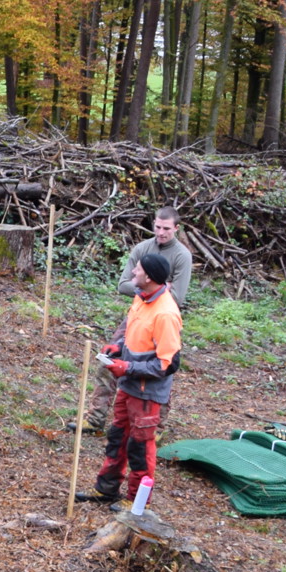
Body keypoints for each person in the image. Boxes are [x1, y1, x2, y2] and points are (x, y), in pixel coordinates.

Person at [81, 252, 183, 505]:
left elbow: (167, 363)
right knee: (117, 438)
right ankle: (106, 489)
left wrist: (126, 367)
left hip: (146, 394)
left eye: (137, 270)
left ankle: (137, 504)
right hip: (128, 386)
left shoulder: (166, 314)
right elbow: (132, 334)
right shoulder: (142, 298)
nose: (133, 273)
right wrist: (117, 348)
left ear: (148, 277)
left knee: (140, 448)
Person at [80, 208, 194, 432]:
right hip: (138, 311)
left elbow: (177, 297)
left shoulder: (182, 256)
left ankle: (157, 427)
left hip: (162, 318)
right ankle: (95, 417)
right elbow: (123, 284)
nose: (161, 233)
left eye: (166, 229)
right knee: (109, 358)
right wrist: (153, 287)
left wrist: (154, 289)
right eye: (158, 227)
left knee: (162, 368)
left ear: (176, 229)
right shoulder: (143, 248)